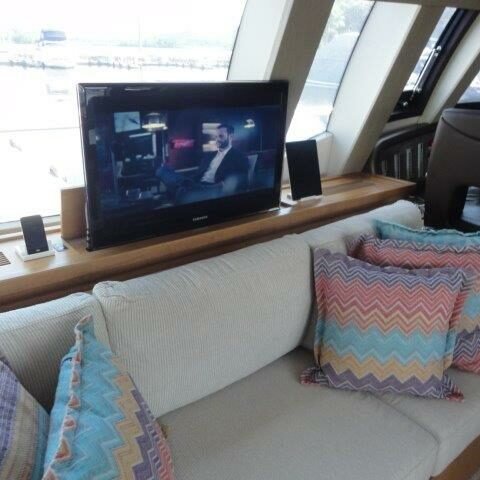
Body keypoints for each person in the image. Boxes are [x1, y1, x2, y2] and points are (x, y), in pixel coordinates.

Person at [157, 124, 249, 203]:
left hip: (213, 188)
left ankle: (183, 186)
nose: (217, 139)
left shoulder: (239, 156)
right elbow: (198, 173)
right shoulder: (210, 155)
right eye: (216, 137)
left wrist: (221, 186)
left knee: (182, 190)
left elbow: (243, 181)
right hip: (196, 184)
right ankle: (184, 184)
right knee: (162, 170)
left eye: (221, 136)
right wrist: (190, 180)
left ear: (231, 137)